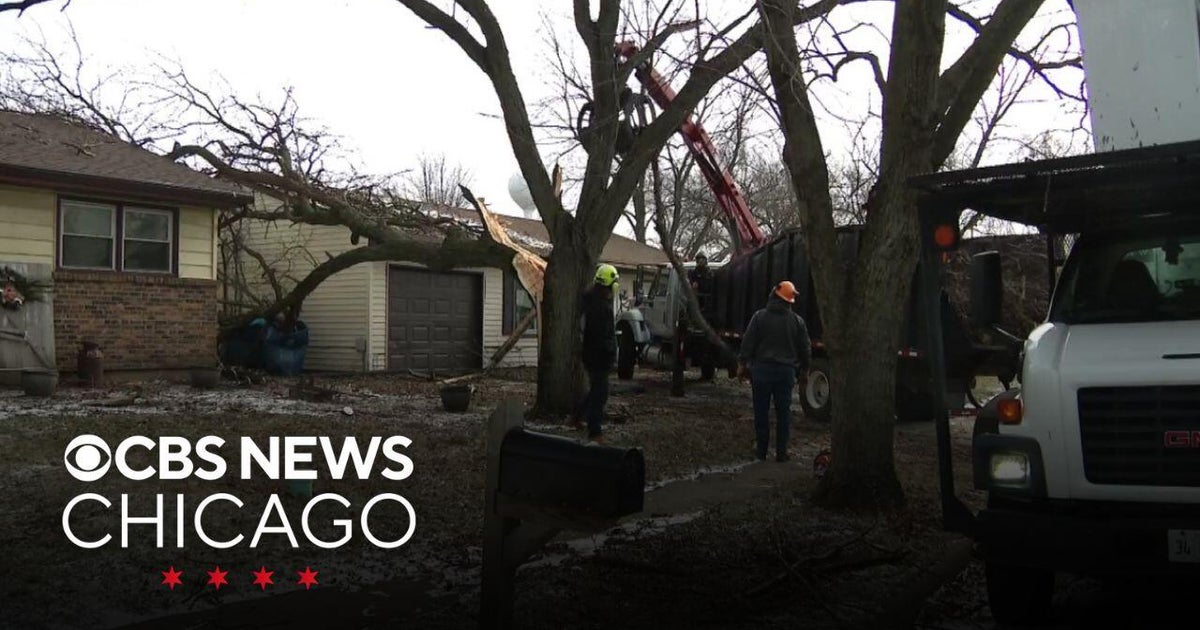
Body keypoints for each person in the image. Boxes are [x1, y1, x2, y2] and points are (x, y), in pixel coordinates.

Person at [738, 281, 812, 462]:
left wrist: (742, 364)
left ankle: (761, 451)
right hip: (785, 373)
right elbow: (805, 349)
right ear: (789, 300)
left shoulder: (759, 317)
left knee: (761, 411)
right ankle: (781, 452)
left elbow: (748, 342)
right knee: (783, 413)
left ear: (773, 296)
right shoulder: (797, 321)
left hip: (762, 371)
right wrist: (805, 371)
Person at [581, 263, 619, 443]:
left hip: (589, 354)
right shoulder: (602, 308)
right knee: (600, 393)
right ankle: (594, 431)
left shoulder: (590, 301)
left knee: (595, 389)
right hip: (599, 356)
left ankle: (577, 415)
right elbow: (604, 336)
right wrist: (611, 354)